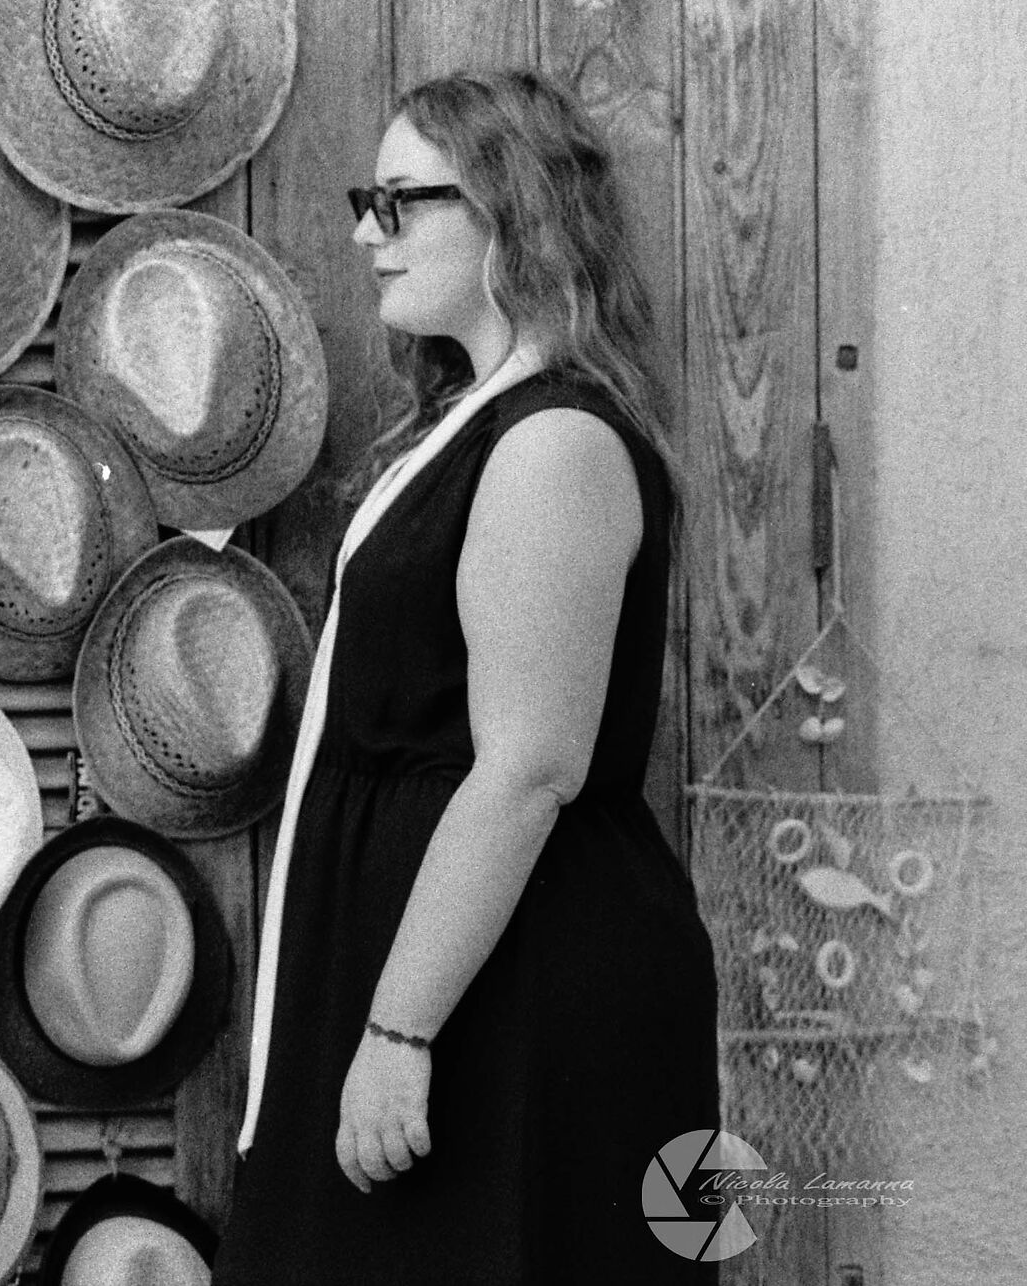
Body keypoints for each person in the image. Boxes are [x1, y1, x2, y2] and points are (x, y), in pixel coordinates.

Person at [216, 70, 718, 1282]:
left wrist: (400, 1027)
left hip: (510, 986)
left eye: (397, 202)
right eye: (365, 200)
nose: (361, 234)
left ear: (511, 209)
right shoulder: (480, 417)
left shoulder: (555, 440)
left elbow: (530, 771)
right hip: (440, 966)